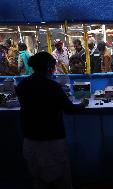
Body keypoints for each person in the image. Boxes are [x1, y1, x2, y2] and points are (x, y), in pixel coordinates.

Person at [16, 52, 89, 189]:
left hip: (30, 140)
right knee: (61, 180)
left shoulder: (22, 85)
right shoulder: (52, 87)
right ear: (50, 68)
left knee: (38, 181)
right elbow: (70, 109)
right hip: (51, 142)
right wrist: (83, 104)